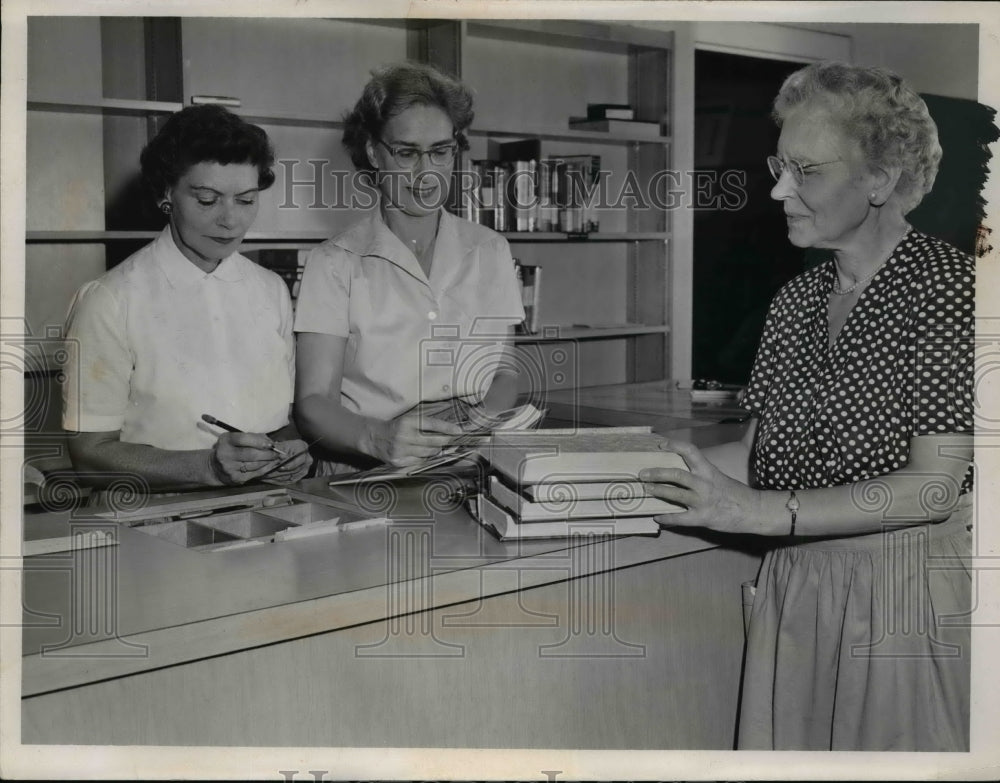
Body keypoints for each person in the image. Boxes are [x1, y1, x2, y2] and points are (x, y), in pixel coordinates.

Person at [639, 62, 974, 751]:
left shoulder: (948, 288)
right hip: (797, 589)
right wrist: (653, 471)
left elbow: (934, 483)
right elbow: (763, 458)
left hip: (901, 598)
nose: (778, 189)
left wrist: (763, 512)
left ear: (880, 179)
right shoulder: (794, 301)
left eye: (806, 170)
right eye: (779, 165)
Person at [63, 104, 312, 492]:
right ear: (167, 194)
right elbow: (89, 456)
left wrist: (288, 453)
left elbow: (279, 422)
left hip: (267, 505)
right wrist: (207, 467)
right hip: (152, 520)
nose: (230, 220)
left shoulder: (271, 290)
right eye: (207, 200)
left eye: (246, 200)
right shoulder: (110, 300)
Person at [294, 62, 524, 473]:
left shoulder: (490, 249)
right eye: (406, 153)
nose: (427, 173)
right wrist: (377, 438)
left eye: (440, 151)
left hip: (470, 460)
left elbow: (504, 369)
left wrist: (478, 424)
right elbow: (313, 403)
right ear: (372, 152)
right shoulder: (333, 263)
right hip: (372, 466)